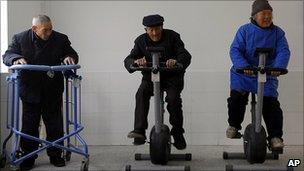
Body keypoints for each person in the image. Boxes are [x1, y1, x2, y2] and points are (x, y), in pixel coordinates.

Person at [2, 14, 78, 170]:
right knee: (29, 124)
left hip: (53, 88)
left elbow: (72, 53)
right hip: (30, 89)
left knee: (55, 123)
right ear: (34, 28)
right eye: (45, 30)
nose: (49, 33)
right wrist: (16, 58)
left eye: (51, 29)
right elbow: (7, 55)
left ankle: (56, 155)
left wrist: (69, 57)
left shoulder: (61, 38)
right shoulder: (20, 38)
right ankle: (28, 157)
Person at [226, 0, 290, 151]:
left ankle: (275, 137)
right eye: (264, 14)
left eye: (270, 14)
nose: (267, 17)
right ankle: (234, 125)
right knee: (237, 98)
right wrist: (243, 66)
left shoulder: (278, 33)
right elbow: (235, 50)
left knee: (272, 105)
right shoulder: (244, 30)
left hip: (267, 73)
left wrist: (278, 68)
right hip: (244, 73)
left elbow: (283, 51)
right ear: (254, 16)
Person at [124, 14, 191, 150]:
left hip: (172, 77)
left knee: (173, 99)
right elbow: (129, 59)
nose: (154, 33)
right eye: (151, 30)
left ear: (162, 27)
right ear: (146, 30)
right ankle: (139, 131)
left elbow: (185, 55)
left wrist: (176, 61)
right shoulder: (140, 41)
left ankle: (178, 133)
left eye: (157, 29)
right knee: (141, 93)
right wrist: (136, 62)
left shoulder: (173, 36)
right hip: (151, 76)